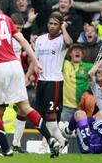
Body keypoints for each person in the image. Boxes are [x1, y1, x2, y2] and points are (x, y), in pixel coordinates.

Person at [0, 0, 60, 157]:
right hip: (15, 65)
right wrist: (35, 61)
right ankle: (50, 139)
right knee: (24, 106)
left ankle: (6, 149)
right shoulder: (5, 18)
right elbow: (24, 41)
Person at [28, 11, 73, 150]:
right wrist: (28, 75)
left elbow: (69, 42)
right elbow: (35, 60)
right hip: (41, 81)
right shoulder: (41, 39)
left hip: (54, 82)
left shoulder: (62, 40)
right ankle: (60, 141)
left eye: (55, 24)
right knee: (41, 114)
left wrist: (64, 27)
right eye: (50, 23)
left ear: (60, 25)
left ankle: (52, 142)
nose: (52, 26)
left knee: (51, 115)